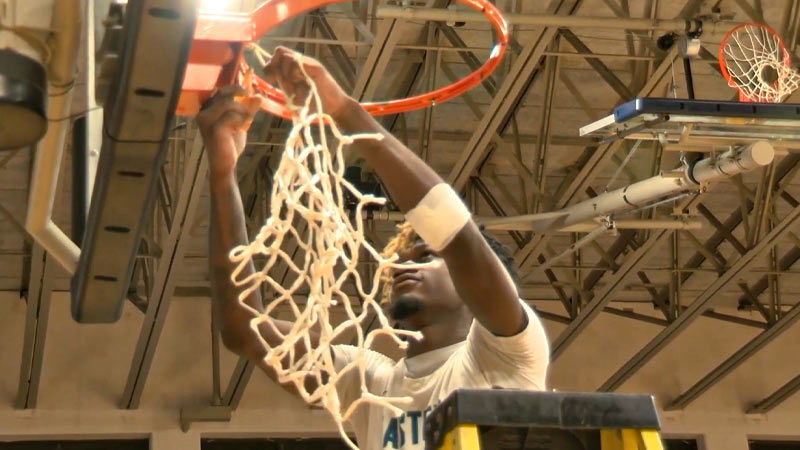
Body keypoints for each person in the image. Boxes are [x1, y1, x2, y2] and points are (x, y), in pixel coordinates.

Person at [198, 47, 549, 449]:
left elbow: (457, 234)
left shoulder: (507, 353)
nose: (400, 267)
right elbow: (245, 331)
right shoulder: (373, 381)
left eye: (427, 256)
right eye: (399, 259)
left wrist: (344, 111)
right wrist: (223, 172)